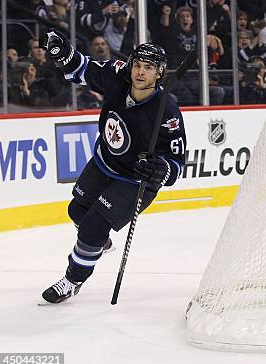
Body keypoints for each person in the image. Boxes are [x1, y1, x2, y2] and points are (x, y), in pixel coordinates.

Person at [39, 29, 186, 304]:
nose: (141, 72)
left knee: (92, 228)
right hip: (104, 162)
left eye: (149, 68)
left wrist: (162, 169)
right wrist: (63, 52)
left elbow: (177, 163)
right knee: (77, 211)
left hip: (134, 180)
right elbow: (82, 68)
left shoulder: (167, 111)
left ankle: (73, 280)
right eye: (138, 65)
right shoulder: (118, 75)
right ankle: (98, 243)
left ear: (160, 73)